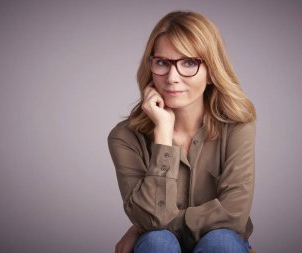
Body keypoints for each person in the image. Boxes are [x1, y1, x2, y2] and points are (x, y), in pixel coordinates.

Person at [108, 11, 256, 253]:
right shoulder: (124, 137)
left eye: (189, 63)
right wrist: (163, 136)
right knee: (157, 241)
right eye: (162, 63)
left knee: (221, 241)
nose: (172, 77)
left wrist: (141, 226)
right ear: (151, 66)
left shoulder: (238, 126)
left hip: (222, 243)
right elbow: (151, 223)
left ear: (212, 71)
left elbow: (233, 215)